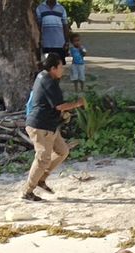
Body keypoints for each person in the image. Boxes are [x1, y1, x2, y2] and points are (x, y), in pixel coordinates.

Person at [22, 53, 85, 202]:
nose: (63, 69)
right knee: (43, 157)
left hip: (49, 125)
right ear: (53, 68)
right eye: (61, 66)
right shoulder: (49, 81)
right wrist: (78, 103)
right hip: (40, 125)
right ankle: (27, 191)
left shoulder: (43, 76)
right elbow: (59, 105)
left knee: (62, 151)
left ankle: (41, 179)